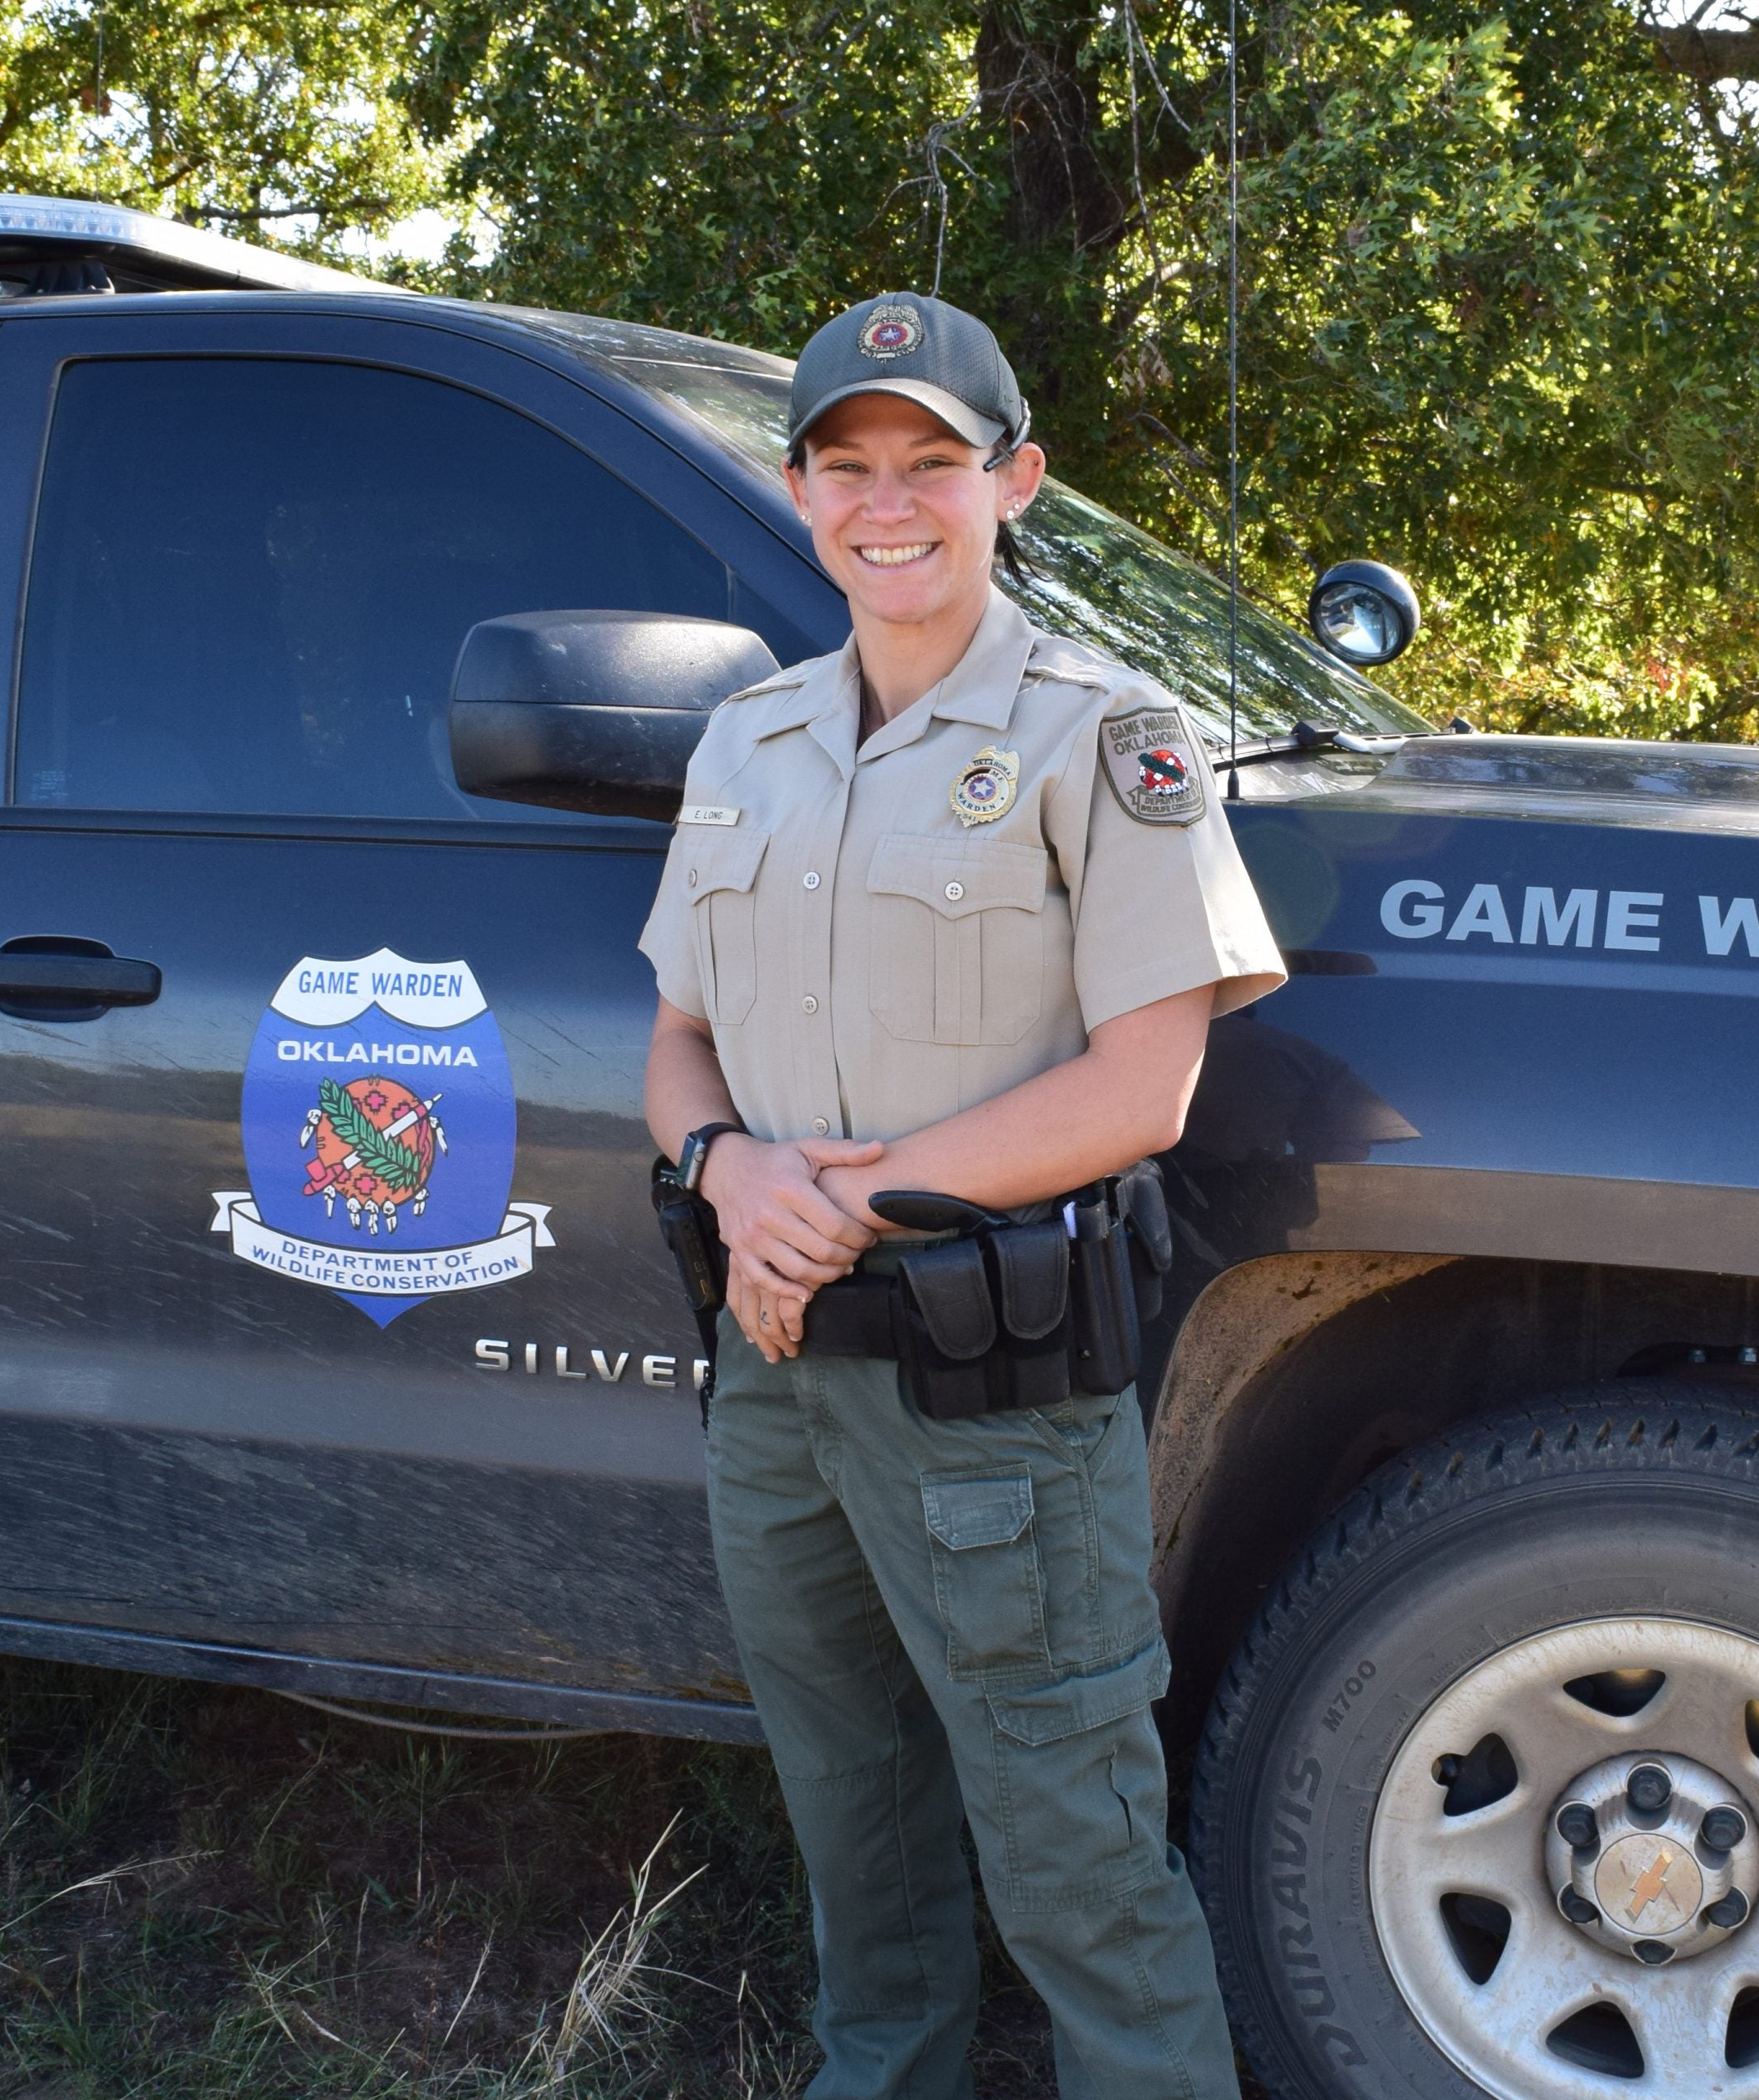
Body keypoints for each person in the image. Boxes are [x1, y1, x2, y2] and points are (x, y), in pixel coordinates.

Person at [640, 290, 1285, 2100]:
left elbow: (1143, 1082)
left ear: (1016, 480)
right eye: (847, 465)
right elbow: (674, 1044)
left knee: (1077, 1865)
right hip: (772, 1377)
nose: (887, 501)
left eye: (931, 460)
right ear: (797, 492)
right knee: (856, 1843)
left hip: (987, 1400)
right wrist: (729, 1166)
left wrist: (853, 1197)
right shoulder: (745, 742)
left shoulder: (1109, 735)